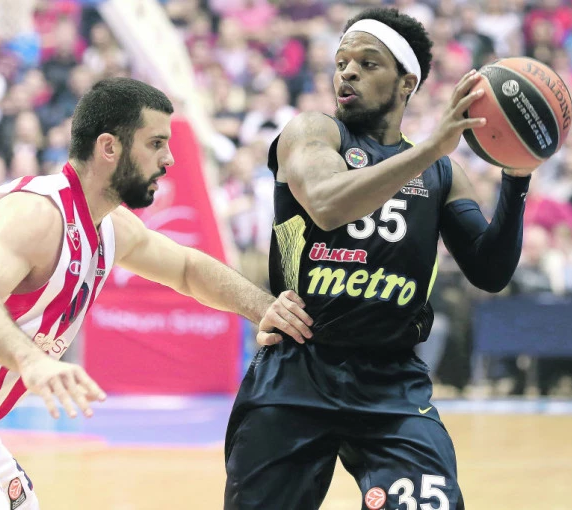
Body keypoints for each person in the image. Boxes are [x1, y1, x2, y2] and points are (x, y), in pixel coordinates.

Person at [0, 77, 314, 510]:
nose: (169, 159)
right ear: (109, 147)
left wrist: (264, 307)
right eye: (155, 143)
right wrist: (32, 362)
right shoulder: (38, 213)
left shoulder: (109, 226)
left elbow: (189, 269)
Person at [226, 8, 537, 510]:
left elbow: (491, 271)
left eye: (367, 64)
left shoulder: (441, 174)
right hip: (296, 371)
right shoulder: (312, 132)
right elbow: (326, 203)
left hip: (392, 383)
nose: (347, 72)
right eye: (341, 62)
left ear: (407, 82)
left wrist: (517, 177)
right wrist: (430, 148)